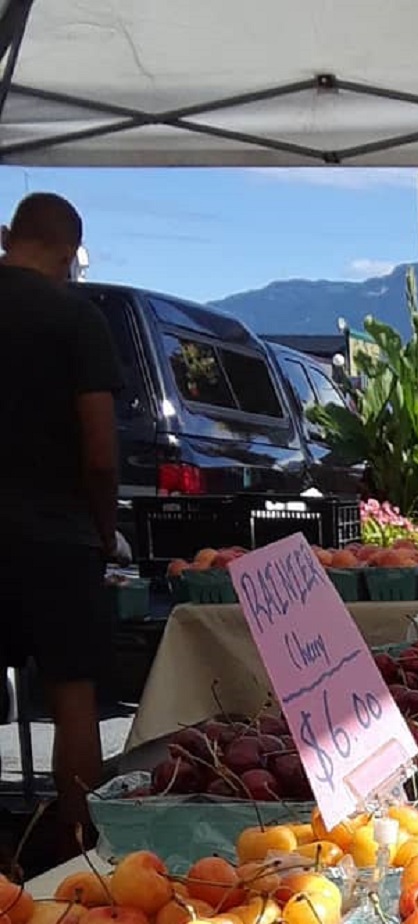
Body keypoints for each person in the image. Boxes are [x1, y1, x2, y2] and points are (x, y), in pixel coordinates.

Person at [0, 192, 120, 857]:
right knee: (74, 693)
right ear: (71, 250)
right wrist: (104, 527)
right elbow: (100, 452)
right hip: (57, 534)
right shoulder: (75, 319)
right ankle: (77, 842)